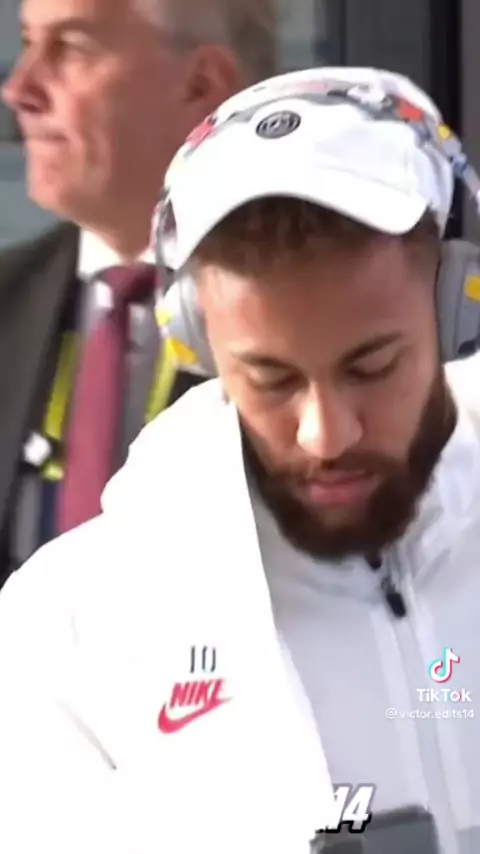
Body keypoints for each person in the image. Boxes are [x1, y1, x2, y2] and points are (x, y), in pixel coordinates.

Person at [1, 65, 480, 854]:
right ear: (197, 341)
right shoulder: (70, 629)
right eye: (272, 380)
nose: (326, 435)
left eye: (371, 367)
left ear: (456, 307)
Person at [0, 0, 276, 587]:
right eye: (27, 43)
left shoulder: (324, 316)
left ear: (201, 83)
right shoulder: (10, 298)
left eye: (71, 48)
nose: (19, 89)